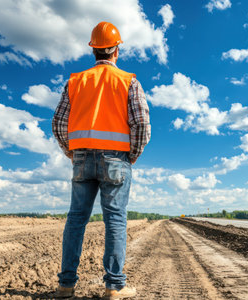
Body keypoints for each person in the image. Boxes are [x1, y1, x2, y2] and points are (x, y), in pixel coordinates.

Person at [52, 21, 150, 299]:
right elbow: (141, 123)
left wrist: (71, 151)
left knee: (76, 220)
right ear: (116, 50)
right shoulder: (128, 80)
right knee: (115, 221)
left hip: (82, 158)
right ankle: (114, 287)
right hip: (117, 160)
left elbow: (58, 122)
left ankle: (66, 285)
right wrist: (132, 154)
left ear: (93, 51)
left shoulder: (76, 81)